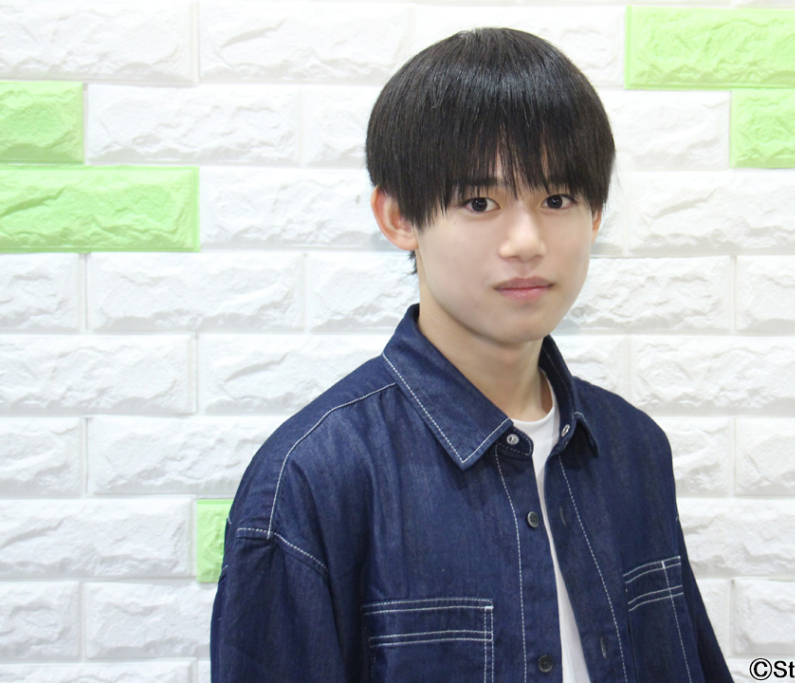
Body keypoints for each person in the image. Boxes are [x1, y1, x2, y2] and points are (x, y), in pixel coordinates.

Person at [211, 27, 732, 683]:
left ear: (597, 213)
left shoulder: (633, 448)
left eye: (557, 199)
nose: (526, 241)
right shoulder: (315, 477)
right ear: (399, 217)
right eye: (480, 202)